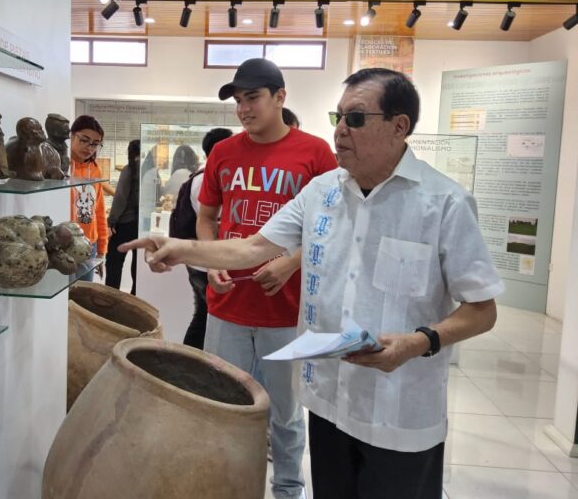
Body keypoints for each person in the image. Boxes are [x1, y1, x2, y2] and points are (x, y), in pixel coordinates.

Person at [121, 68, 503, 499]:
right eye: (337, 117)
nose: (340, 131)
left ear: (400, 126)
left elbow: (482, 309)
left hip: (398, 411)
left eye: (355, 119)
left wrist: (420, 341)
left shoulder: (444, 203)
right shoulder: (323, 192)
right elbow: (251, 248)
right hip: (329, 403)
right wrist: (179, 247)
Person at [199, 58, 337, 499]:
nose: (243, 108)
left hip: (286, 309)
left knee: (286, 412)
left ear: (280, 97)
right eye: (238, 100)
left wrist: (292, 261)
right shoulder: (223, 153)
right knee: (224, 404)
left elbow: (334, 225)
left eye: (252, 97)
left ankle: (288, 490)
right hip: (227, 305)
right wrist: (209, 259)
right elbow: (207, 218)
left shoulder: (316, 153)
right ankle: (227, 485)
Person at [181, 127, 234, 350]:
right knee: (205, 316)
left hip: (205, 260)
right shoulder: (205, 180)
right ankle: (186, 363)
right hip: (205, 263)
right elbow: (207, 219)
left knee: (203, 315)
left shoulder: (207, 176)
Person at [69, 115, 108, 281]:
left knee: (83, 297)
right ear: (72, 136)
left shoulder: (95, 169)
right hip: (65, 242)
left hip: (88, 244)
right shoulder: (61, 166)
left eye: (95, 143)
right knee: (63, 300)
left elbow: (98, 210)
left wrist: (102, 250)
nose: (89, 147)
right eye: (84, 140)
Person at [105, 140, 141, 294]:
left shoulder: (129, 170)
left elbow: (120, 198)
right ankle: (135, 297)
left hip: (125, 224)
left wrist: (112, 220)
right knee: (137, 265)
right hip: (140, 226)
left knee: (114, 262)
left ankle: (111, 297)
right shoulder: (151, 171)